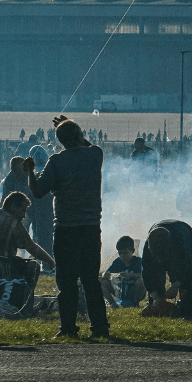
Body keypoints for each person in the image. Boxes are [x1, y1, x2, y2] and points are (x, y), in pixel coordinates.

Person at [27, 115, 108, 339]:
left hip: (65, 228)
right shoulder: (95, 154)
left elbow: (37, 191)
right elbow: (89, 145)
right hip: (91, 227)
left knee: (66, 282)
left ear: (61, 141)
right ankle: (100, 327)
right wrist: (72, 128)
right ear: (80, 136)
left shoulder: (56, 161)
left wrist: (30, 172)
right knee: (91, 280)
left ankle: (68, 328)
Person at [140, 218, 192, 316]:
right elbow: (146, 272)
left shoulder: (181, 243)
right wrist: (155, 297)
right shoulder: (148, 246)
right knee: (154, 270)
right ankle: (160, 302)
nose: (160, 260)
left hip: (183, 229)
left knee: (188, 272)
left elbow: (188, 266)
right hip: (159, 228)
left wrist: (176, 285)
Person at [2, 191, 56, 312]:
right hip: (3, 267)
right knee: (33, 266)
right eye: (23, 210)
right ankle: (21, 305)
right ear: (13, 207)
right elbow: (32, 248)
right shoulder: (12, 222)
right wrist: (50, 261)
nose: (23, 215)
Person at [101, 234, 146, 307]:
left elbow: (144, 275)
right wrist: (105, 274)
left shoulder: (138, 261)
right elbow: (106, 273)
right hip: (120, 290)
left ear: (133, 251)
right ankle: (113, 303)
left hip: (134, 291)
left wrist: (130, 275)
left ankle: (135, 302)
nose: (122, 256)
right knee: (102, 281)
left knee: (141, 281)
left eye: (125, 253)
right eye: (120, 253)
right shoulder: (117, 262)